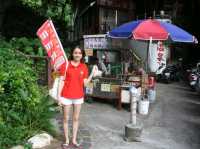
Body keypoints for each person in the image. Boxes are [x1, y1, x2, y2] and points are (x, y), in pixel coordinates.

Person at [57, 46, 96, 149]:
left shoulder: (84, 67)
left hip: (78, 97)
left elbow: (85, 83)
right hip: (66, 96)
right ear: (72, 54)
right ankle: (66, 140)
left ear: (82, 55)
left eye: (79, 53)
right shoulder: (65, 65)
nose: (77, 54)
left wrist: (92, 73)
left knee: (76, 118)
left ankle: (74, 140)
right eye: (75, 52)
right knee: (65, 119)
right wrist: (58, 97)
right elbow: (61, 81)